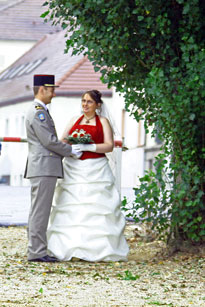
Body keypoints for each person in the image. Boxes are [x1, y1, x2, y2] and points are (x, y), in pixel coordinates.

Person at [47, 89, 129, 262]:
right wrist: (71, 149)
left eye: (89, 102)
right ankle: (67, 247)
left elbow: (109, 146)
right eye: (83, 101)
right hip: (74, 168)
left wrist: (88, 147)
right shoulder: (74, 120)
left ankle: (99, 250)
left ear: (98, 105)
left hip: (96, 169)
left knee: (97, 208)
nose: (85, 104)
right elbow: (63, 140)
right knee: (72, 207)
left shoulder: (103, 121)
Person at [24, 74, 81, 262]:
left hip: (42, 166)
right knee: (40, 211)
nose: (54, 94)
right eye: (51, 89)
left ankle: (36, 249)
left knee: (38, 210)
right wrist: (70, 150)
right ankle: (37, 252)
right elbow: (48, 141)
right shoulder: (38, 111)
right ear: (42, 89)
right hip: (43, 166)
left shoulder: (40, 110)